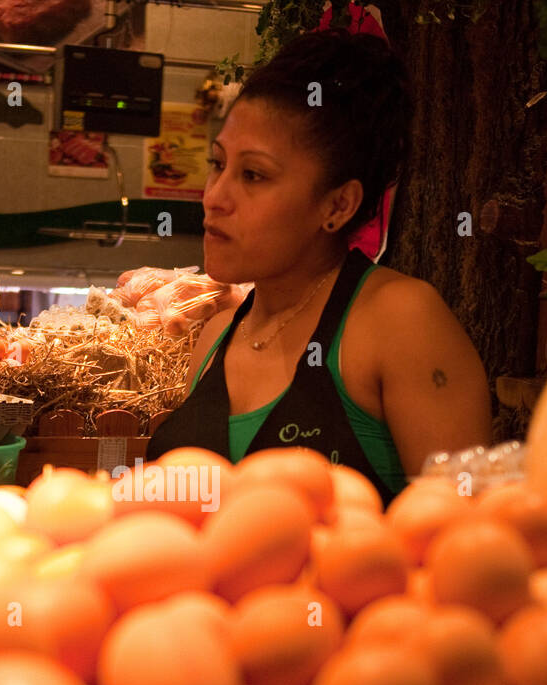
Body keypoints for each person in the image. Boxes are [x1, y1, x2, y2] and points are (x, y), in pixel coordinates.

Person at [146, 29, 492, 503]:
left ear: (338, 205)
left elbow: (471, 538)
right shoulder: (215, 337)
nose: (215, 197)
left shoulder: (400, 321)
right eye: (217, 164)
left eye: (253, 175)